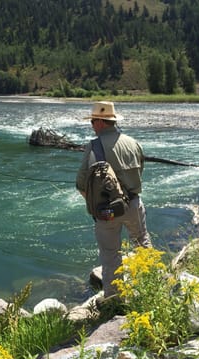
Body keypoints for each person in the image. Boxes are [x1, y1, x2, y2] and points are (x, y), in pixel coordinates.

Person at [75, 101, 151, 300]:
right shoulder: (134, 143)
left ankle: (114, 300)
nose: (92, 125)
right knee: (142, 243)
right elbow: (140, 173)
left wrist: (95, 207)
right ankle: (151, 287)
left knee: (110, 256)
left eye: (93, 121)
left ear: (101, 122)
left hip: (107, 212)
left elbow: (81, 184)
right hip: (134, 204)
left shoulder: (94, 146)